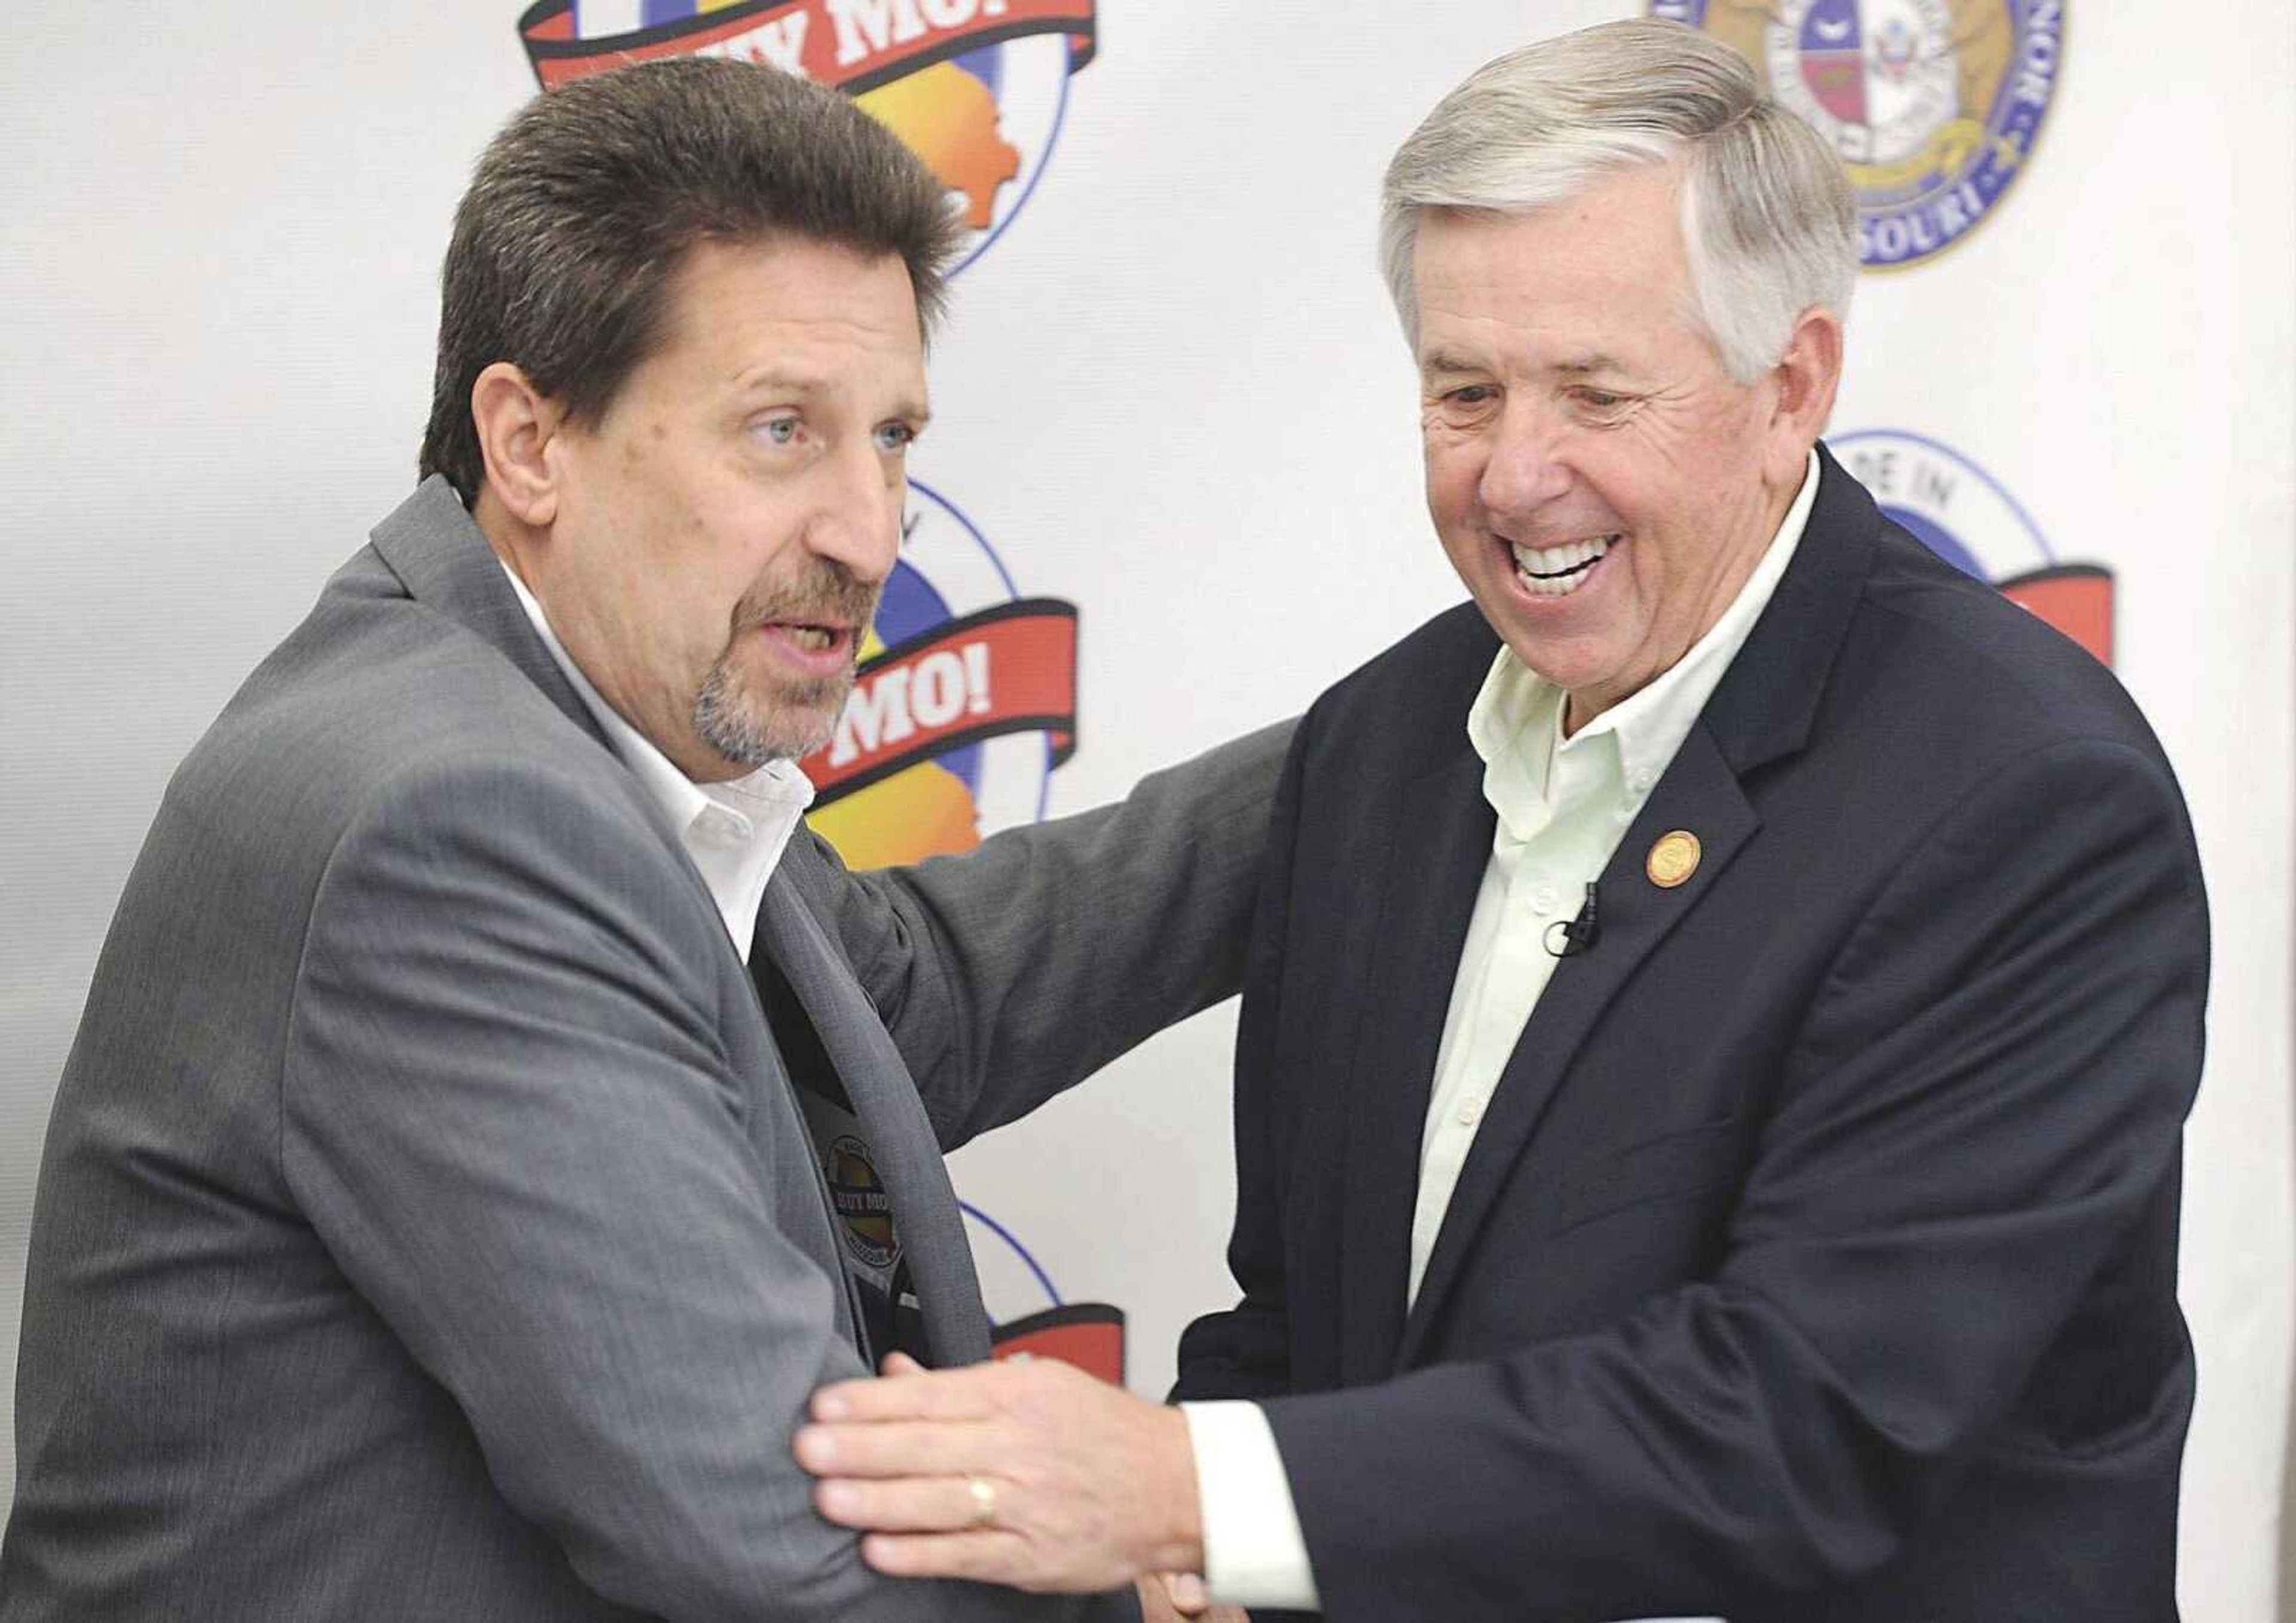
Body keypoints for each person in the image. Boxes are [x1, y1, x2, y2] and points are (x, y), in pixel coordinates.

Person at [792, 19, 2209, 1622]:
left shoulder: (2025, 805)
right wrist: (1208, 1545)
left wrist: (1189, 1491)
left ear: (1791, 386)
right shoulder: (1380, 751)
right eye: (1465, 391)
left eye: (1595, 394)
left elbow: (1814, 1429)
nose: (1517, 477)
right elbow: (1308, 1332)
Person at [0, 58, 1284, 1623]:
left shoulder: (579, 725)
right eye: (778, 432)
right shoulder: (448, 817)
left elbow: (912, 1000)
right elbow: (774, 1541)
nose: (869, 531)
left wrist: (1389, 752)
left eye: (888, 437)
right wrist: (1136, 1595)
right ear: (531, 443)